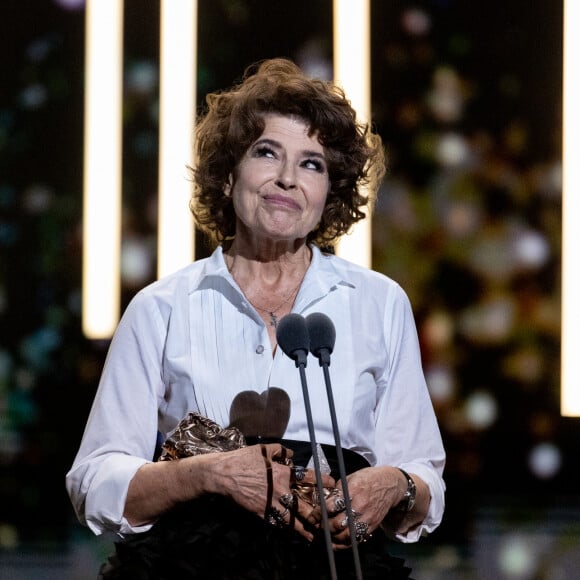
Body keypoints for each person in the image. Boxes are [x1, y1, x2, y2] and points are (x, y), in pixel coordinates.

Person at [66, 58, 446, 579]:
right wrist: (207, 476)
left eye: (312, 163)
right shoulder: (162, 307)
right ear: (227, 176)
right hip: (190, 566)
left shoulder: (378, 303)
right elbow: (94, 481)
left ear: (328, 193)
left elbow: (425, 477)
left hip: (334, 564)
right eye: (267, 153)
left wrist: (393, 486)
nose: (288, 178)